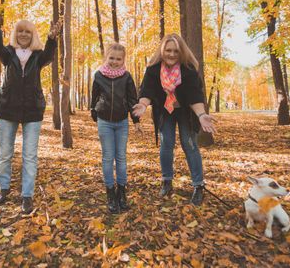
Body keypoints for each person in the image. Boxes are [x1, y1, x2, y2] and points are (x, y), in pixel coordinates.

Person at [0, 0, 62, 214]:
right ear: (15, 34)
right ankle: (3, 189)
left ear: (32, 35)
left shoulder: (38, 56)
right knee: (5, 153)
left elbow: (49, 55)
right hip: (8, 108)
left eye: (27, 32)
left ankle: (27, 195)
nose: (23, 35)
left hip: (32, 111)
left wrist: (51, 38)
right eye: (19, 31)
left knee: (30, 155)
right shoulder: (8, 53)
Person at [132, 34, 216, 206]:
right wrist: (143, 104)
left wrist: (201, 115)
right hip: (165, 111)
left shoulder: (188, 69)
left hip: (186, 111)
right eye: (168, 50)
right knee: (166, 143)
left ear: (181, 52)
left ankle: (198, 185)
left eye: (175, 51)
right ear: (162, 51)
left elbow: (194, 95)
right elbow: (147, 91)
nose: (171, 54)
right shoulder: (153, 69)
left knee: (189, 144)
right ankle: (167, 180)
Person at [90, 43, 141, 214]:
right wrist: (94, 112)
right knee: (107, 158)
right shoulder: (98, 75)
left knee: (121, 158)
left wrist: (136, 121)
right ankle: (110, 193)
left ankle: (122, 192)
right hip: (104, 122)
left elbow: (132, 100)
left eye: (118, 59)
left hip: (121, 123)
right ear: (106, 57)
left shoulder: (127, 77)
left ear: (123, 60)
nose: (114, 61)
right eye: (111, 58)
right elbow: (95, 96)